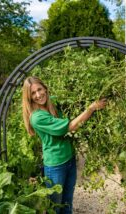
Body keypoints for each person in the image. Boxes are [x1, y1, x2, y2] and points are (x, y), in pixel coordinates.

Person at [22, 76, 106, 214]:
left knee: (67, 204)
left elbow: (71, 100)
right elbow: (70, 126)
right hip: (55, 166)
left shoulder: (51, 103)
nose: (38, 95)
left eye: (39, 89)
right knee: (55, 208)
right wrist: (91, 108)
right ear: (29, 97)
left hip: (69, 159)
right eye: (33, 93)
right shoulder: (37, 117)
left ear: (45, 88)